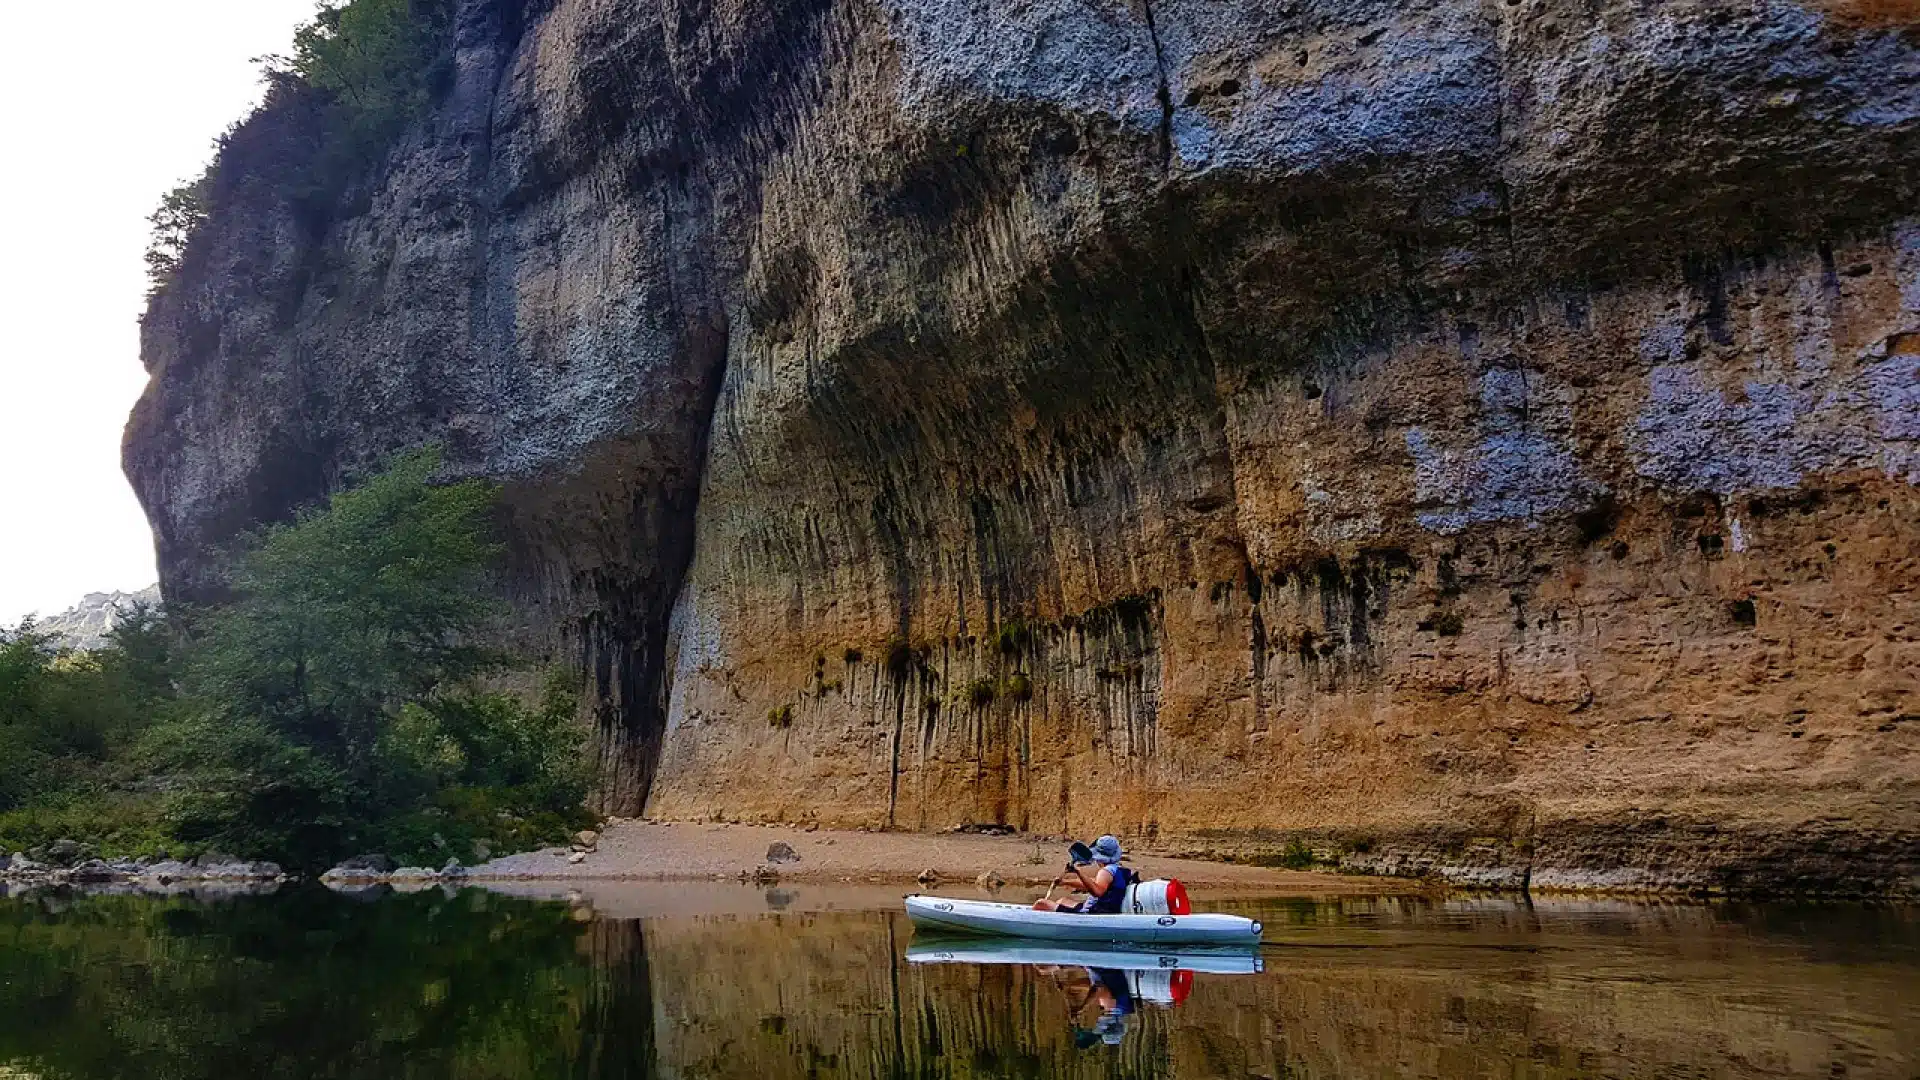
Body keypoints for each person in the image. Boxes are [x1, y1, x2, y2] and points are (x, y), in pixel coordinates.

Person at [1033, 835, 1131, 913]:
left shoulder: (1105, 872)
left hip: (1092, 912)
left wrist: (1078, 872)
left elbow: (1097, 891)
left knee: (1040, 903)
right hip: (1103, 910)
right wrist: (1065, 882)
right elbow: (1094, 884)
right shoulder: (1117, 869)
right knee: (1062, 900)